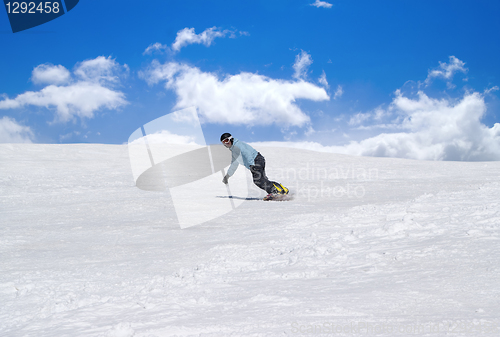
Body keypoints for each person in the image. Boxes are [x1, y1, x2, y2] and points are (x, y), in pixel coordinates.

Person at [220, 133, 289, 199]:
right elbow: (234, 164)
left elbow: (247, 153)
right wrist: (227, 176)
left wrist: (252, 164)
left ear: (231, 139)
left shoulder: (238, 145)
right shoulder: (234, 151)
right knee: (262, 179)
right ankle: (282, 190)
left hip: (256, 160)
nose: (226, 143)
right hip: (257, 160)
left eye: (226, 140)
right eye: (223, 142)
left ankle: (275, 191)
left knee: (258, 180)